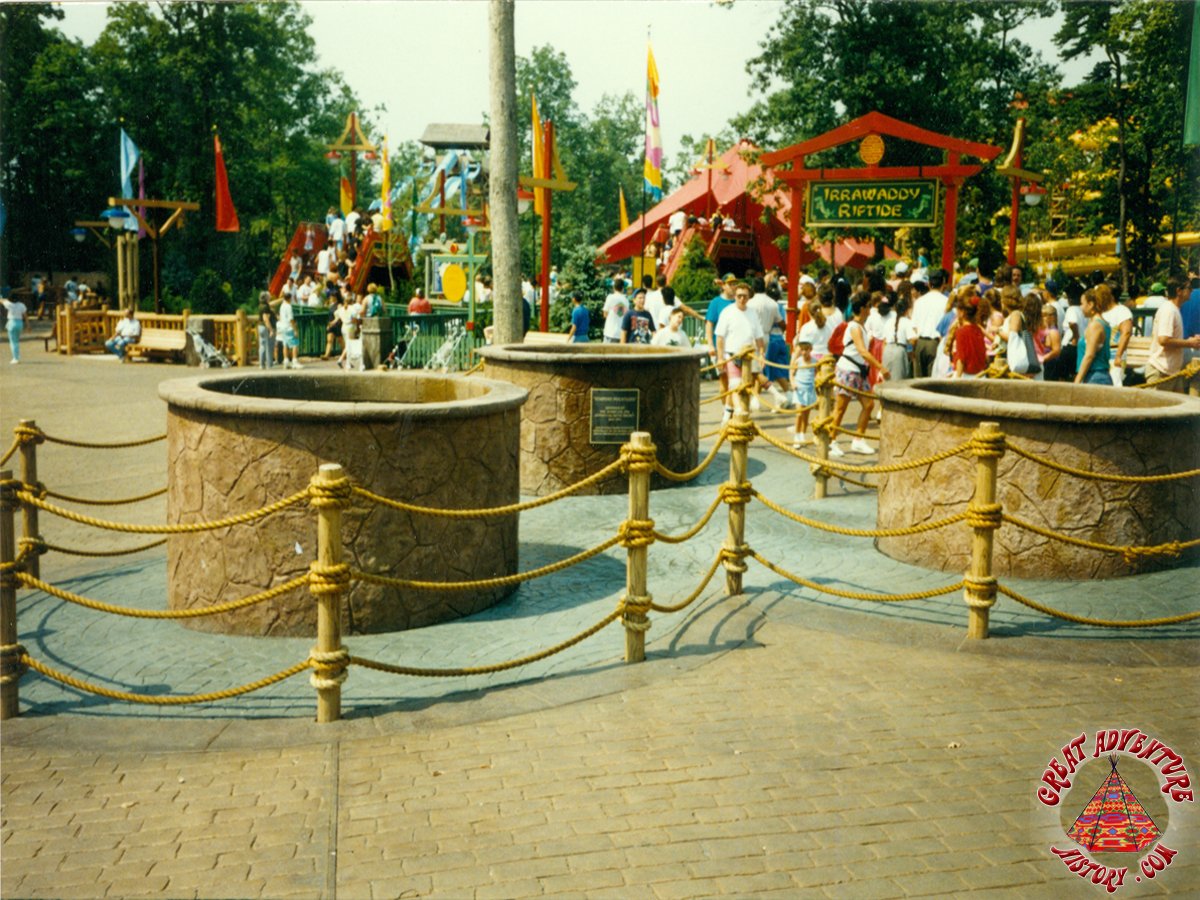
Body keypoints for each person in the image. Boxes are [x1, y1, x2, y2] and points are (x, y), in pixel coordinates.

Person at [830, 292, 889, 456]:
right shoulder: (854, 327)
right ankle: (831, 439)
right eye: (869, 306)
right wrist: (880, 367)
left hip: (859, 372)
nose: (871, 308)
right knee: (840, 408)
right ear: (862, 308)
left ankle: (858, 439)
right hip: (848, 370)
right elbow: (862, 351)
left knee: (869, 405)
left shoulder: (861, 326)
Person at [715, 282, 765, 422]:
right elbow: (720, 337)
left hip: (749, 357)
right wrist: (720, 358)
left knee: (744, 387)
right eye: (739, 296)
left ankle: (728, 414)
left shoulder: (753, 313)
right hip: (731, 354)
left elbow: (759, 337)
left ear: (749, 298)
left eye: (745, 296)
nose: (742, 299)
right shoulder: (727, 312)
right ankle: (739, 412)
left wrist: (762, 354)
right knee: (735, 385)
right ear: (735, 296)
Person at [1145, 277, 1200, 390]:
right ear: (1179, 291)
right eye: (1189, 288)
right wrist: (1189, 343)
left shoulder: (1174, 309)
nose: (1192, 291)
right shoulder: (1169, 310)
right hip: (1160, 371)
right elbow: (1163, 340)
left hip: (1171, 372)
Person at [912, 268, 949, 377]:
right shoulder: (945, 302)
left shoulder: (919, 301)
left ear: (928, 283)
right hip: (935, 343)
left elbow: (914, 326)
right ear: (943, 283)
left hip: (920, 343)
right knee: (932, 381)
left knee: (918, 381)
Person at [1074, 289, 1112, 386]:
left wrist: (1077, 380)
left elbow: (1089, 355)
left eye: (1082, 303)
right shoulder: (1103, 323)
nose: (1080, 307)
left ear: (1090, 304)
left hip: (1095, 377)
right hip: (1098, 376)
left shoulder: (1095, 326)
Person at [1096, 283, 1132, 386]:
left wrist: (1118, 356)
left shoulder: (1122, 311)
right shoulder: (1102, 312)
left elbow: (1126, 333)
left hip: (1115, 355)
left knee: (1114, 385)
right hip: (1104, 356)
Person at [951, 293, 991, 378]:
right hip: (980, 374)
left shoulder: (961, 332)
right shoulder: (978, 329)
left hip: (966, 375)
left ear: (962, 312)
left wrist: (958, 378)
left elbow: (961, 358)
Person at [789, 339, 817, 447]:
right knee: (799, 413)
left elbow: (817, 374)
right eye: (802, 350)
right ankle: (796, 435)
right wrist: (793, 383)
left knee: (806, 414)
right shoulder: (798, 361)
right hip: (799, 388)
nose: (804, 352)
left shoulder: (815, 361)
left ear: (810, 350)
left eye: (806, 350)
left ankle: (802, 434)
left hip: (809, 389)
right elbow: (792, 372)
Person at [1035, 303, 1064, 381]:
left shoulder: (1053, 332)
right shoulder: (1043, 330)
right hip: (1043, 362)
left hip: (1050, 364)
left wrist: (1043, 358)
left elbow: (1056, 350)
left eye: (1043, 316)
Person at [276, 291, 302, 369]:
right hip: (289, 327)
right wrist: (295, 329)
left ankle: (286, 360)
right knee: (295, 344)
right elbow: (291, 319)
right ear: (290, 298)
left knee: (285, 344)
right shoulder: (289, 306)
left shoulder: (282, 306)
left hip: (283, 327)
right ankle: (294, 361)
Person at [1, 290, 28, 363]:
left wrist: (3, 298)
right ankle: (17, 355)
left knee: (13, 341)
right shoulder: (21, 305)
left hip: (12, 322)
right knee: (16, 341)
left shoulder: (9, 304)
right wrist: (28, 325)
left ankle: (15, 358)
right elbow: (25, 316)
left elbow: (2, 301)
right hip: (20, 323)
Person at [602, 278, 628, 343]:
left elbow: (605, 314)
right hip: (620, 333)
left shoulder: (610, 297)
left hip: (609, 332)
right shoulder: (626, 300)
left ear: (614, 287)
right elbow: (623, 316)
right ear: (623, 288)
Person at [256, 291, 276, 369]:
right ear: (266, 298)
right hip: (265, 327)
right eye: (269, 296)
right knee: (268, 346)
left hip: (260, 327)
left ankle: (261, 364)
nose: (270, 297)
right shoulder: (266, 307)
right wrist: (271, 330)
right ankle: (269, 364)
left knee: (262, 346)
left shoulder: (260, 305)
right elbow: (266, 319)